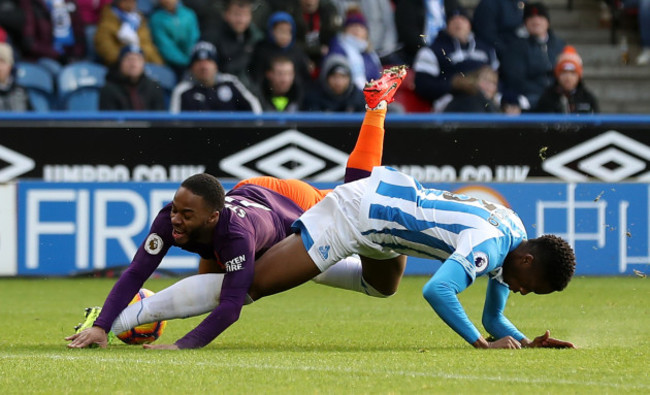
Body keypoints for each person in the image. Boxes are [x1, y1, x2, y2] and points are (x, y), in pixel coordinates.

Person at [65, 66, 409, 349]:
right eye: (175, 212)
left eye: (186, 216)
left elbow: (231, 306)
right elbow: (137, 271)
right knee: (211, 282)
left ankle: (376, 108)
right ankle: (116, 320)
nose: (176, 222)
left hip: (292, 203)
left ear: (212, 215)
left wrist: (181, 346)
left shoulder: (235, 235)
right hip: (253, 194)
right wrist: (102, 325)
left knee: (354, 201)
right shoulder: (171, 218)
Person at [412, 6, 499, 110]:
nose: (458, 23)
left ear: (470, 24)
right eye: (453, 19)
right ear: (446, 25)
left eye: (462, 19)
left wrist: (492, 87)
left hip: (488, 101)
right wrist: (452, 84)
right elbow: (422, 85)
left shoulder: (487, 49)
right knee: (475, 101)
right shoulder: (433, 51)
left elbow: (500, 80)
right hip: (451, 103)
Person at [499, 2, 565, 109]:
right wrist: (546, 93)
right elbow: (515, 80)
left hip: (558, 95)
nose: (536, 21)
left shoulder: (559, 45)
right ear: (525, 23)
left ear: (548, 22)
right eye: (531, 17)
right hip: (531, 97)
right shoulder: (515, 47)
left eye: (540, 17)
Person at [169, 41, 262, 113]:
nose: (204, 67)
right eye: (198, 62)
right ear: (191, 68)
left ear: (216, 65)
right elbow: (174, 122)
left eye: (208, 61)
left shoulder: (231, 83)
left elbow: (254, 108)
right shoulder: (182, 91)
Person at [202, 0, 264, 90]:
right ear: (226, 15)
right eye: (236, 14)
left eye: (245, 15)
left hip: (248, 88)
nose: (240, 20)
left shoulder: (256, 39)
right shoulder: (212, 37)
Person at [247, 11, 312, 86]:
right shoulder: (262, 51)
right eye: (281, 31)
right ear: (271, 32)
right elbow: (256, 77)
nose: (284, 36)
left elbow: (304, 78)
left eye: (288, 32)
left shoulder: (297, 52)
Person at [325, 9, 382, 90]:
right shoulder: (338, 48)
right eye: (352, 26)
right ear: (345, 30)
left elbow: (377, 76)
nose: (356, 30)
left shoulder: (370, 54)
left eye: (360, 27)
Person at [393, 0, 463, 66]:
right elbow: (408, 34)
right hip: (419, 55)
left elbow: (464, 20)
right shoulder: (408, 3)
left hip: (451, 51)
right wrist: (429, 52)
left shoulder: (450, 2)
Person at [94, 0, 164, 66]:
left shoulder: (139, 20)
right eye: (127, 1)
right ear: (118, 2)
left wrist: (159, 64)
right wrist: (128, 61)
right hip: (122, 65)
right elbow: (106, 48)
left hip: (143, 62)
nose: (131, 4)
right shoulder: (107, 22)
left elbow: (148, 46)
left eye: (133, 1)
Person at [99, 44, 166, 111]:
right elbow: (109, 119)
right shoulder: (109, 89)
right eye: (129, 59)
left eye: (138, 59)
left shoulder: (154, 87)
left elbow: (160, 117)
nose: (133, 64)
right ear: (120, 63)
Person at [534, 46, 599, 114]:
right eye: (564, 72)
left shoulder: (588, 98)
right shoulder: (547, 98)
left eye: (572, 73)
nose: (568, 77)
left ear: (579, 76)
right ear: (557, 75)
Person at [20, 0, 87, 64]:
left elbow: (79, 32)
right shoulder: (31, 3)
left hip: (71, 53)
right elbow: (30, 43)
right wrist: (57, 55)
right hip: (44, 57)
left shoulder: (69, 2)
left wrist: (77, 54)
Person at [148, 0, 200, 79]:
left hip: (192, 59)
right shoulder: (156, 19)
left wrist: (192, 58)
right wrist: (185, 62)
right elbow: (165, 45)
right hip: (171, 64)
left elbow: (194, 38)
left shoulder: (189, 14)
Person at [301, 54, 366, 112]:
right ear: (326, 77)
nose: (339, 82)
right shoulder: (313, 98)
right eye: (334, 77)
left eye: (343, 77)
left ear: (350, 78)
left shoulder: (359, 98)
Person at [0, 42, 32, 111]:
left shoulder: (21, 91)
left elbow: (32, 117)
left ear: (10, 65)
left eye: (3, 62)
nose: (0, 67)